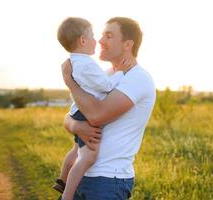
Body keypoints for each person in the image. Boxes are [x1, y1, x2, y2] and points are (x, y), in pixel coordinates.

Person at [61, 17, 156, 200]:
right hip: (83, 174)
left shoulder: (137, 79)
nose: (101, 41)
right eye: (102, 35)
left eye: (109, 36)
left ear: (128, 44)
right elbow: (72, 114)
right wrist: (75, 126)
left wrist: (70, 83)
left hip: (107, 181)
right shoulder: (106, 77)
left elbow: (96, 115)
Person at [54, 17, 126, 200]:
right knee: (87, 157)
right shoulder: (86, 63)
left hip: (78, 111)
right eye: (94, 36)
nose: (98, 40)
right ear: (83, 41)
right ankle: (67, 196)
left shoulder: (76, 62)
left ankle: (62, 179)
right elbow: (106, 86)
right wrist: (120, 73)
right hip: (84, 114)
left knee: (75, 150)